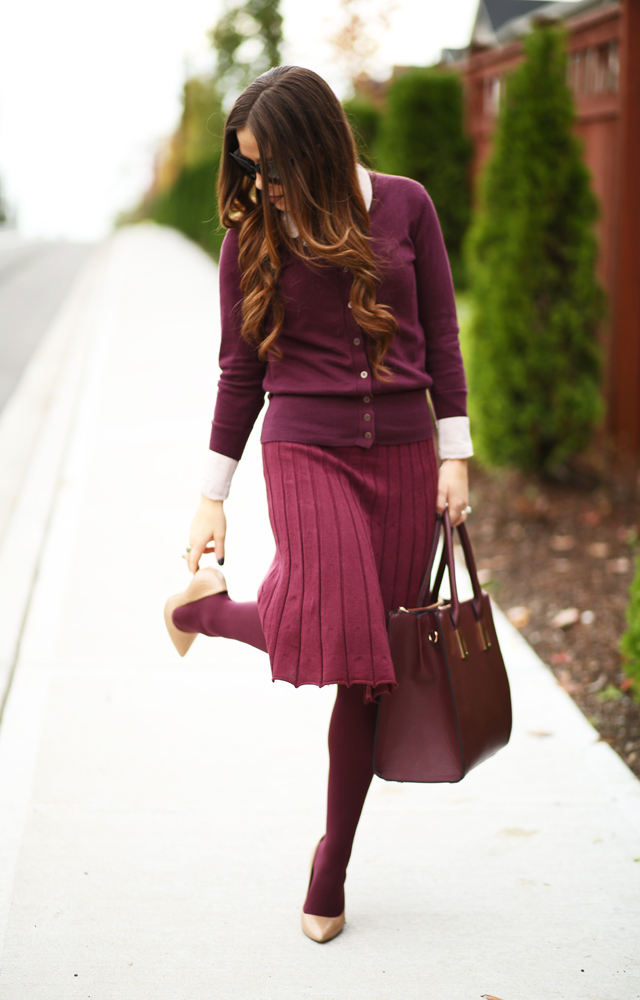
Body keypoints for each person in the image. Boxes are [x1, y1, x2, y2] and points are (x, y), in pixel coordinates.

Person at [164, 65, 473, 944]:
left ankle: (332, 860)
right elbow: (240, 373)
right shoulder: (251, 237)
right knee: (337, 622)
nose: (259, 185)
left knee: (369, 670)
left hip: (409, 455)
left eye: (270, 165)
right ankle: (212, 609)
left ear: (318, 147)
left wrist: (457, 454)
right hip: (303, 448)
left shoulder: (407, 206)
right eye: (249, 167)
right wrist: (211, 498)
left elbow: (444, 334)